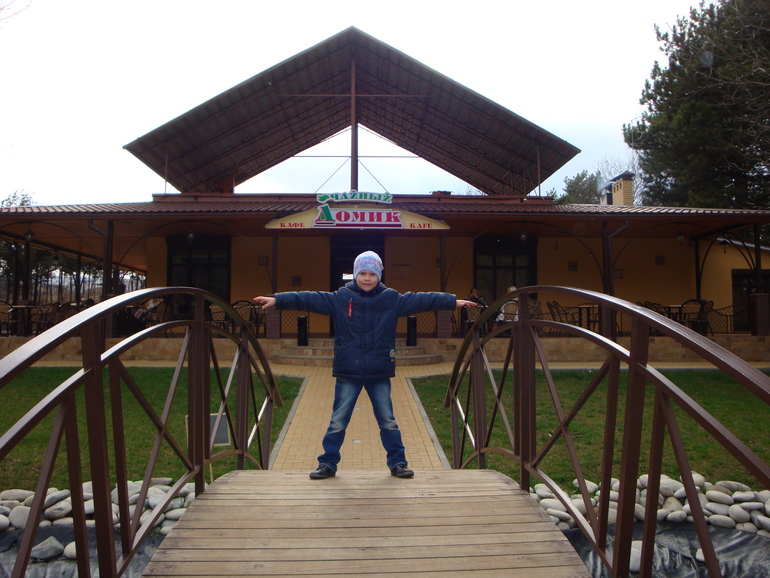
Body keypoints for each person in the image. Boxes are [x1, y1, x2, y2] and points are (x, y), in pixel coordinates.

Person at [254, 250, 476, 480]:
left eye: (372, 274)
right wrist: (278, 300)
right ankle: (327, 463)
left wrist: (452, 301)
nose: (367, 278)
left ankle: (398, 463)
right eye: (362, 273)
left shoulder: (391, 299)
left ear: (379, 275)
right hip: (348, 371)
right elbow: (309, 299)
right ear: (355, 274)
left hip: (379, 371)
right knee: (338, 421)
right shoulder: (341, 298)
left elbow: (422, 300)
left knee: (387, 421)